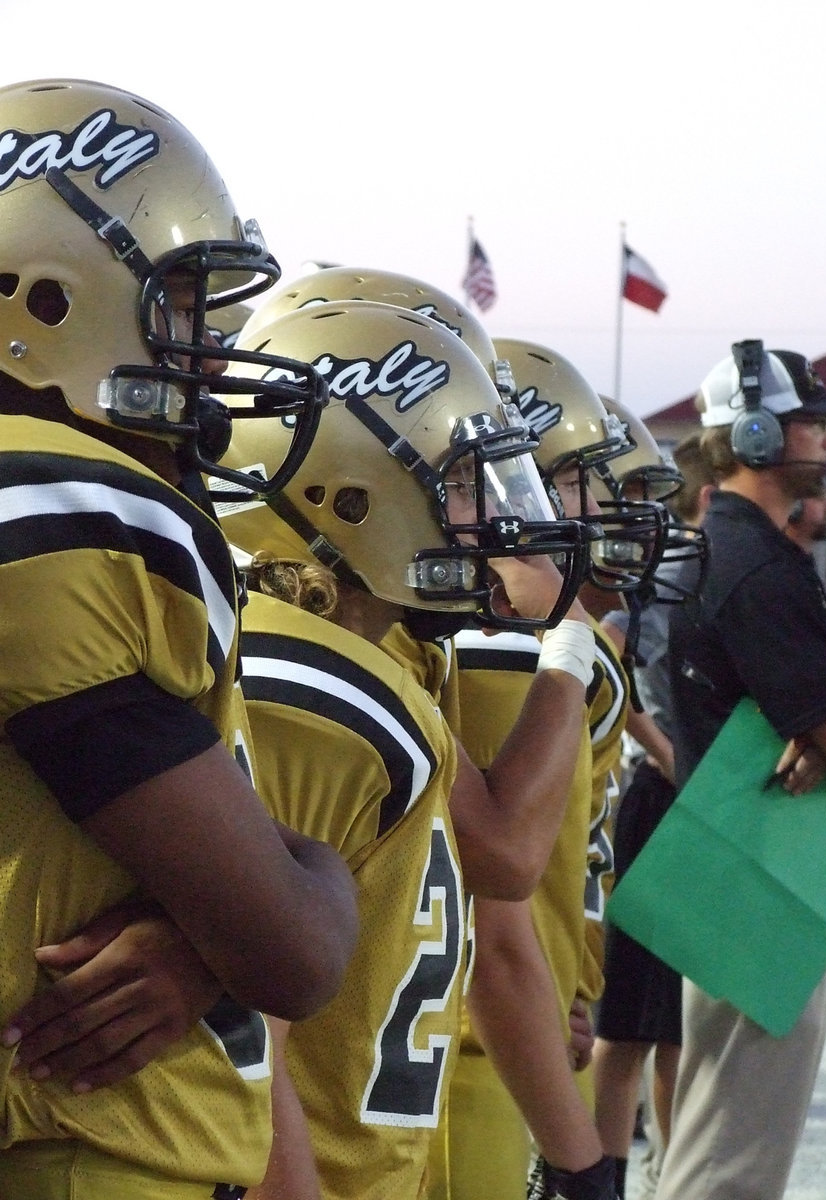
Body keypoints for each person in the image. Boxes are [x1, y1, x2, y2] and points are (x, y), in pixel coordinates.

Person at [0, 77, 358, 1199]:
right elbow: (294, 955)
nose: (211, 348)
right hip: (78, 1150)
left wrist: (225, 923)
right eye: (185, 303)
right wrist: (304, 883)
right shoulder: (63, 507)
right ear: (47, 295)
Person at [214, 298, 600, 1200]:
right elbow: (249, 1034)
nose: (491, 520)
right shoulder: (300, 683)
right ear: (353, 489)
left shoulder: (384, 657)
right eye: (463, 485)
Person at [429, 339, 675, 1200]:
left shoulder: (557, 631)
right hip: (472, 1056)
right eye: (583, 477)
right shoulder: (504, 637)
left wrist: (566, 979)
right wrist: (535, 983)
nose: (603, 508)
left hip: (519, 1031)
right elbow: (497, 898)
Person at [655, 341, 826, 1200]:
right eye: (812, 425)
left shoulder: (748, 548)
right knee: (733, 1158)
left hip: (741, 865)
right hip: (754, 875)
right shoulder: (755, 564)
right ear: (754, 435)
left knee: (723, 1132)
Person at [593, 430, 716, 1200]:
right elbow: (611, 642)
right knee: (636, 1021)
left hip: (685, 798)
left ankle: (671, 1170)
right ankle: (606, 1176)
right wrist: (670, 752)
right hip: (662, 798)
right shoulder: (679, 569)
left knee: (671, 1023)